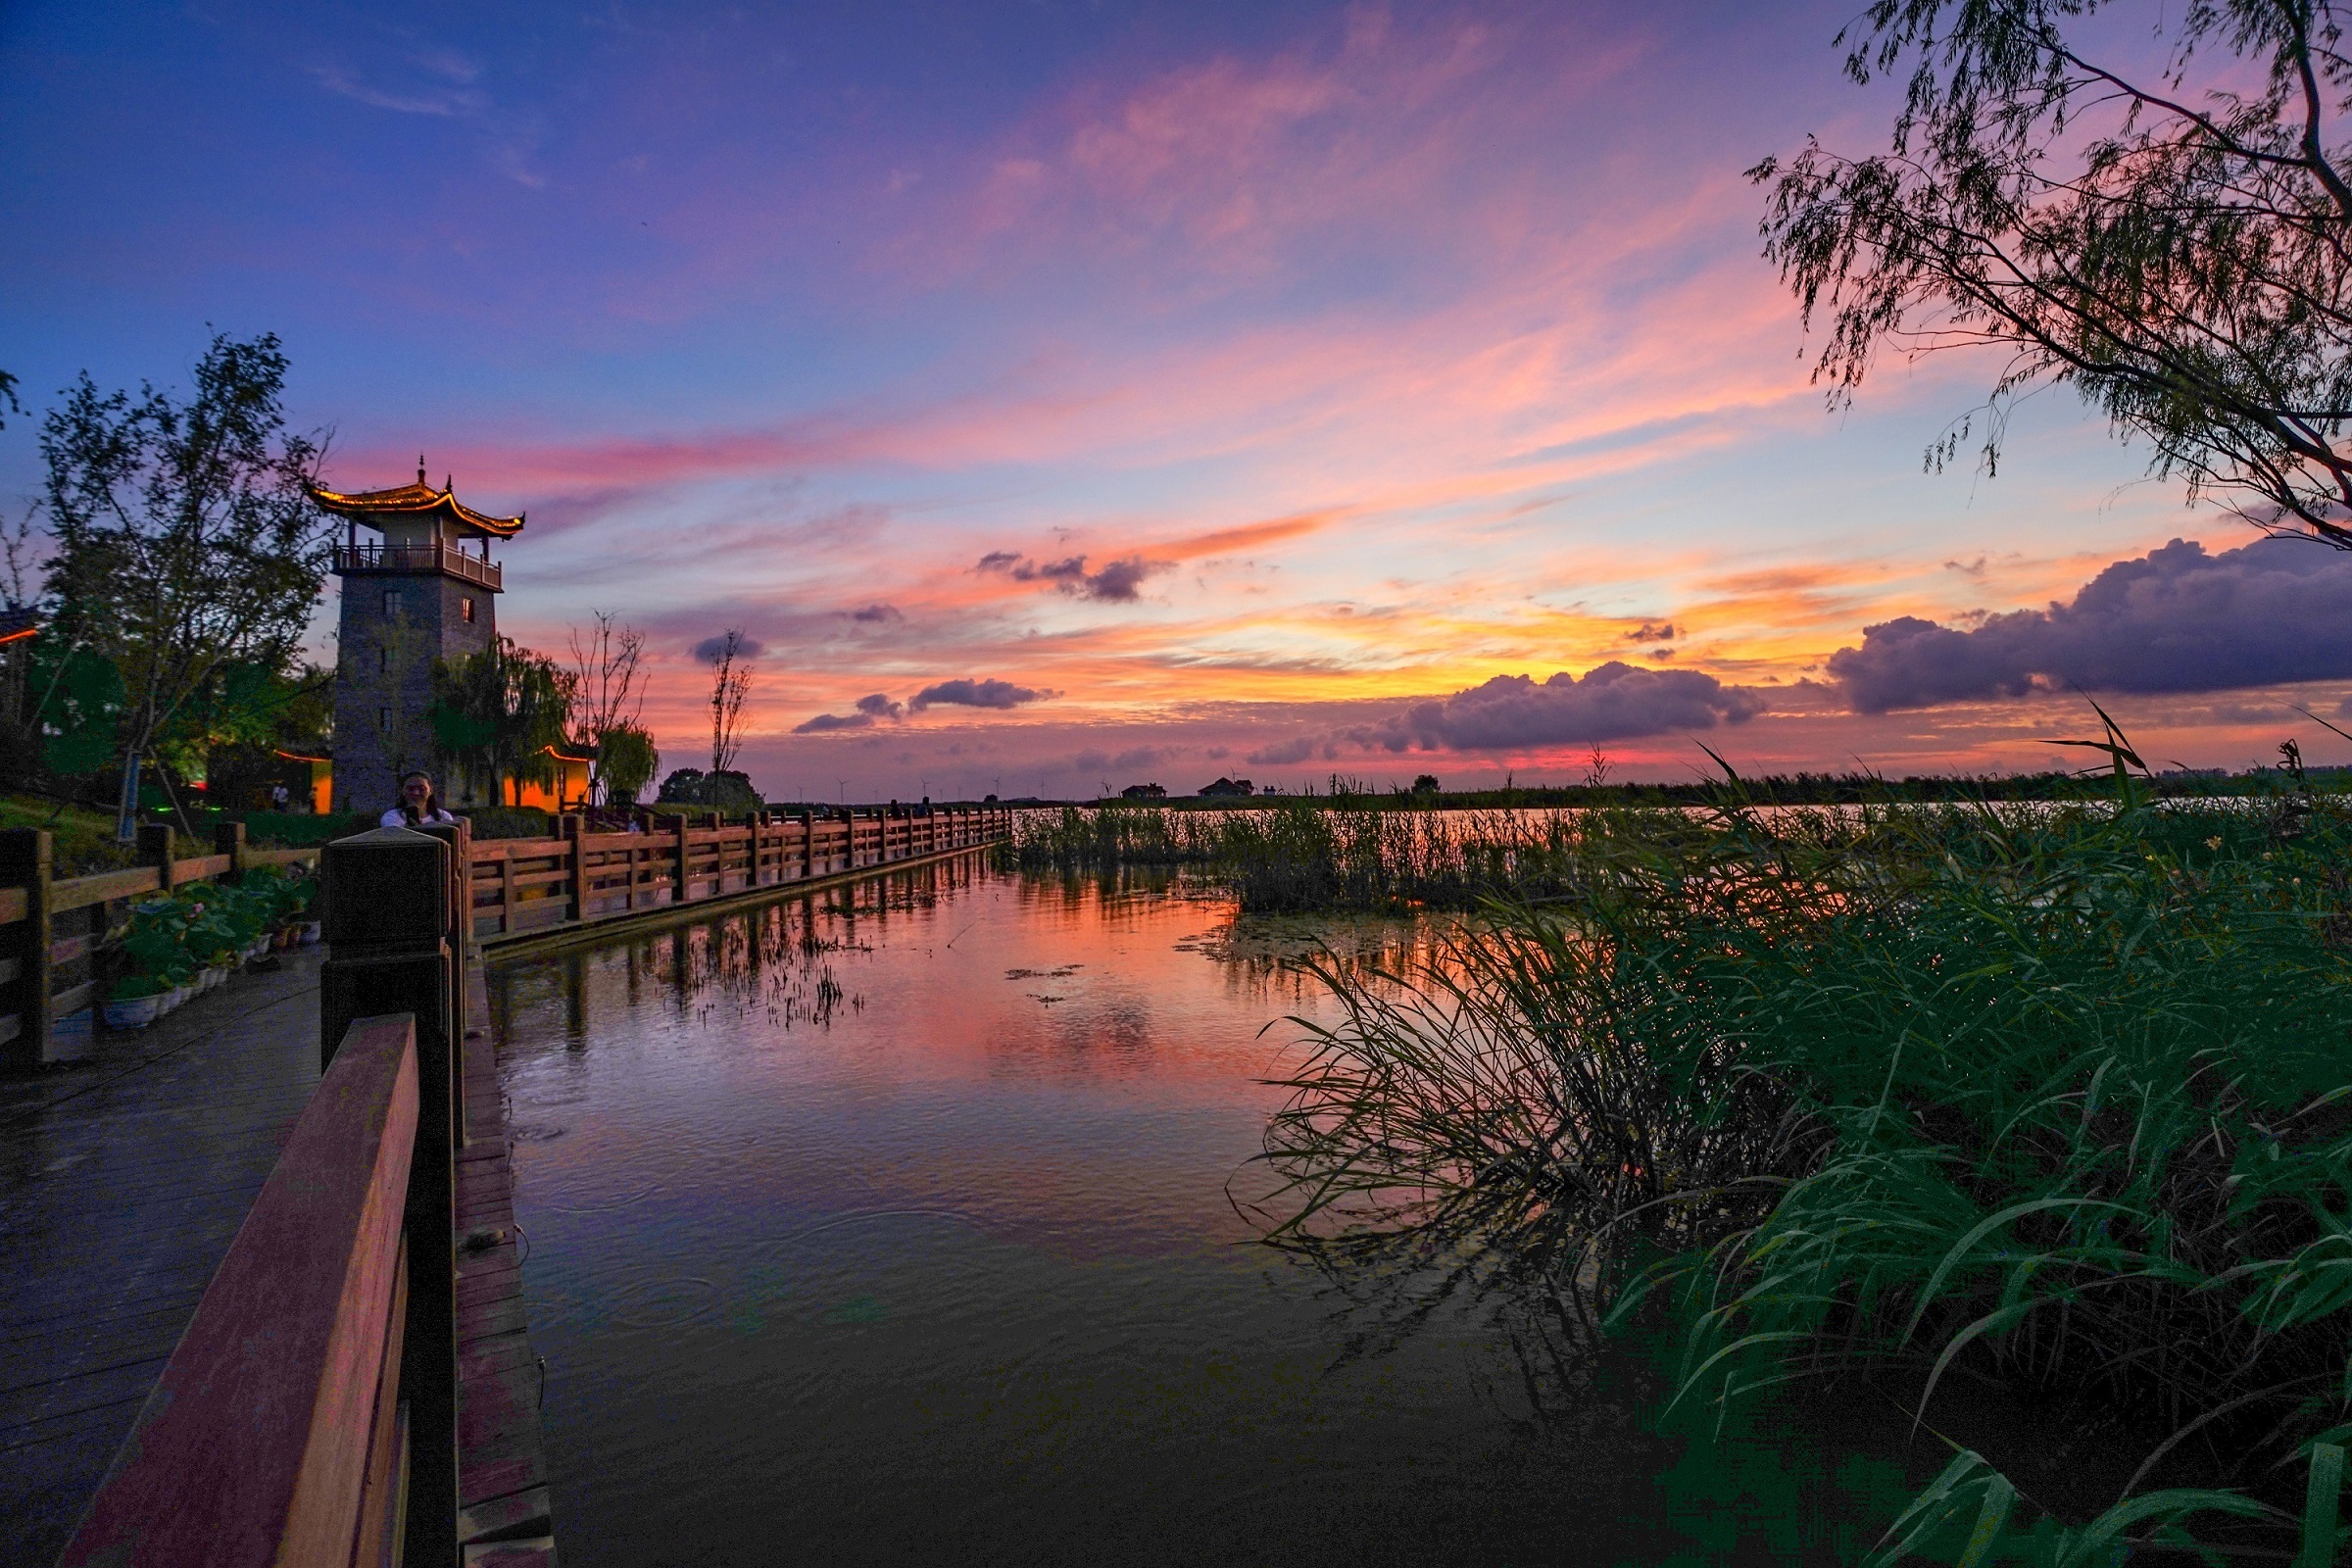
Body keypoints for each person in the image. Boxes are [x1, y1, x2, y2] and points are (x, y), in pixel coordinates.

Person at [383, 770, 461, 829]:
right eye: (410, 789)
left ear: (430, 791)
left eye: (422, 789)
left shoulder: (443, 817)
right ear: (402, 791)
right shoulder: (391, 817)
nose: (416, 793)